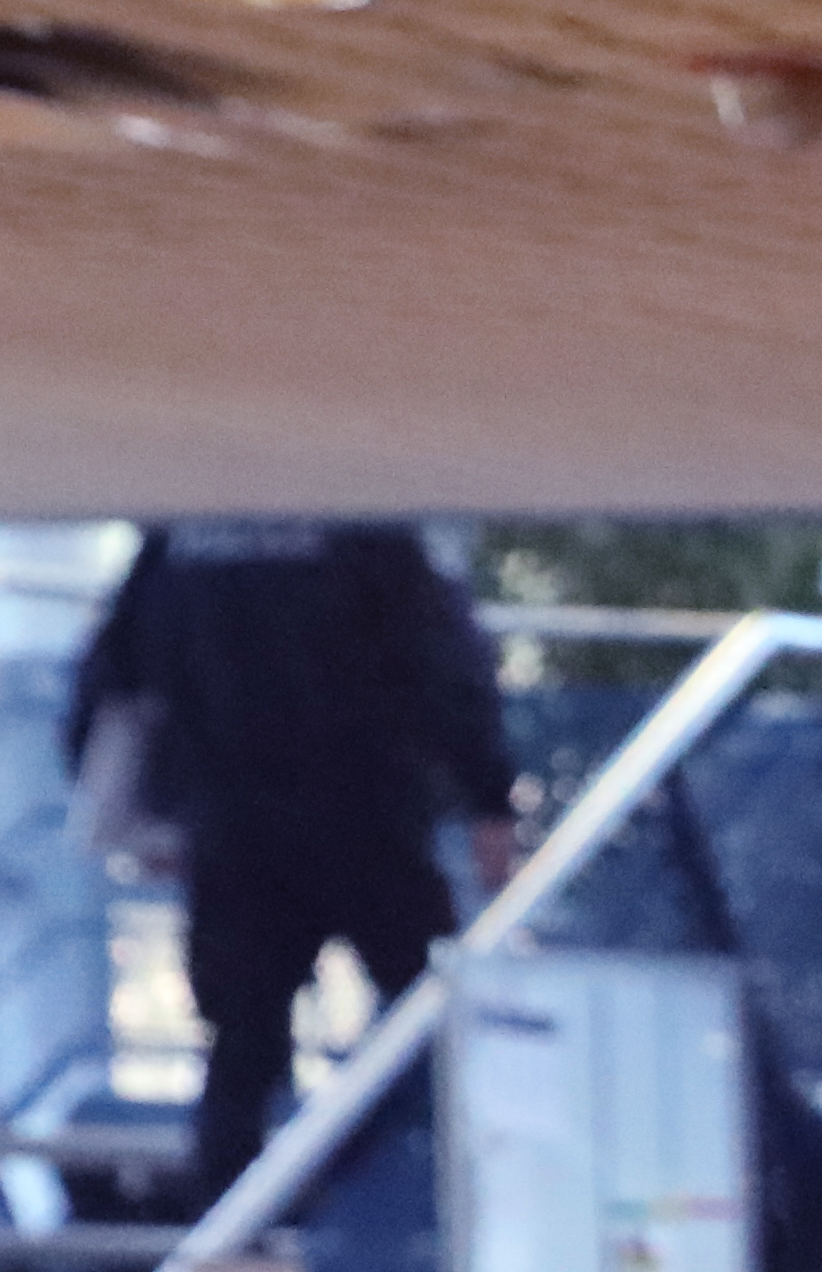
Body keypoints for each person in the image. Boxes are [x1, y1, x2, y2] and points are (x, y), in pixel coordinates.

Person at [64, 517, 521, 1220]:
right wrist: (489, 800)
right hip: (369, 817)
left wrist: (142, 811)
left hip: (233, 832)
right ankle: (381, 1190)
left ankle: (234, 1247)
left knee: (240, 1054)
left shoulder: (182, 537)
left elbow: (114, 674)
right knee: (432, 1020)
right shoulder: (364, 529)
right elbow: (440, 665)